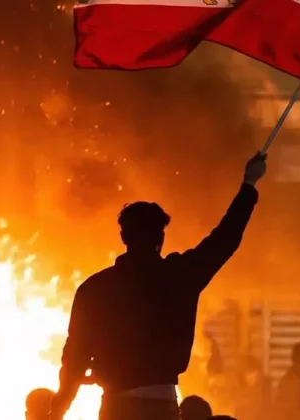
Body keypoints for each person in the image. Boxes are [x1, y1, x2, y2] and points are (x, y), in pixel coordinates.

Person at [50, 153, 267, 420]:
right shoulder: (180, 275)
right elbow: (225, 238)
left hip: (116, 410)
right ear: (161, 237)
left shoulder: (94, 289)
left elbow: (75, 354)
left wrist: (60, 404)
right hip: (161, 409)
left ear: (123, 236)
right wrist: (249, 184)